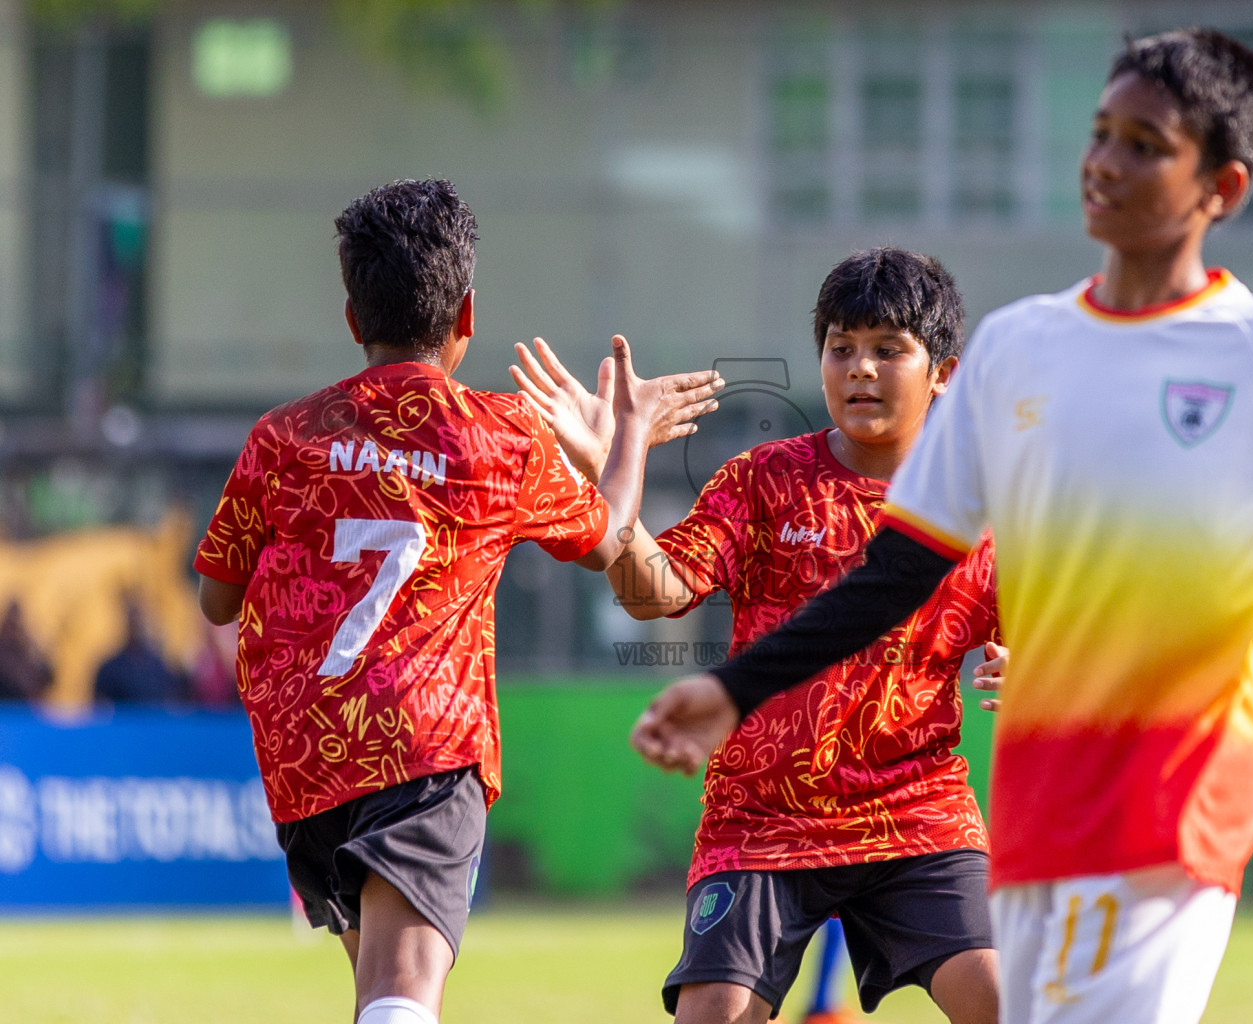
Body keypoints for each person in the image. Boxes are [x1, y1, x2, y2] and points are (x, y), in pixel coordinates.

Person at [629, 29, 1253, 1024]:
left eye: (1145, 143)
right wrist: (729, 688)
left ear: (1220, 189)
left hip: (1173, 815)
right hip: (1036, 822)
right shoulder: (1021, 349)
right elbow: (893, 576)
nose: (1104, 161)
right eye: (1101, 132)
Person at [193, 178, 721, 1024]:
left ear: (352, 318)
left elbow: (218, 598)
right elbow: (610, 540)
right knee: (402, 1000)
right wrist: (628, 439)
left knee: (382, 995)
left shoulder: (283, 437)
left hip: (305, 758)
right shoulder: (496, 435)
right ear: (467, 314)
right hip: (423, 748)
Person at [515, 248, 1003, 1024]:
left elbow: (1053, 636)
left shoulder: (981, 506)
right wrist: (618, 460)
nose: (860, 370)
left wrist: (1031, 666)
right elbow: (652, 593)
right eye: (841, 348)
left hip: (914, 813)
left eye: (887, 350)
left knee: (1011, 1002)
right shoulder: (762, 480)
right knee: (712, 1014)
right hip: (761, 823)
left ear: (942, 371)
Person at [94, 598, 187, 705]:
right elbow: (101, 706)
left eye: (139, 620)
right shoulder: (110, 668)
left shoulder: (158, 666)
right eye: (133, 621)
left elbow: (173, 699)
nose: (136, 626)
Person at [0, 599, 51, 702]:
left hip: (25, 709)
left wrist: (31, 641)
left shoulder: (27, 652)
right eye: (10, 623)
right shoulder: (3, 652)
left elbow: (48, 678)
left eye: (16, 625)